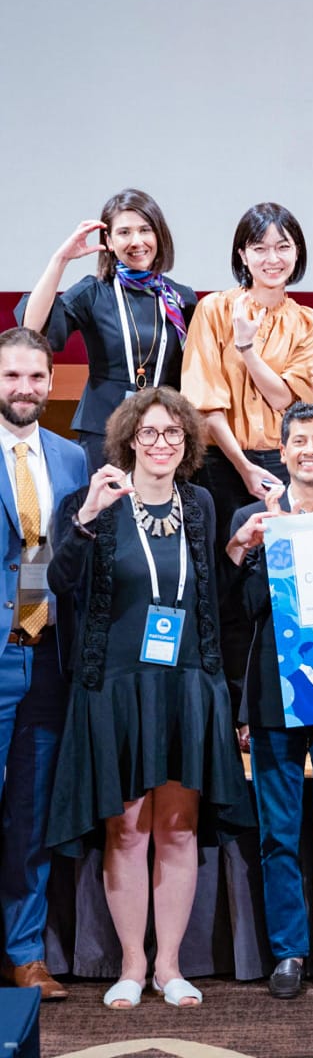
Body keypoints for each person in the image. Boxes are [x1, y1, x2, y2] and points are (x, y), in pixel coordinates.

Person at [45, 387, 253, 1010]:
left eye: (173, 433)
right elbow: (61, 581)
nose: (161, 443)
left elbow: (209, 596)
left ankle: (169, 966)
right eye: (149, 433)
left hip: (188, 683)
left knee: (179, 830)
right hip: (116, 686)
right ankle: (132, 965)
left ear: (187, 443)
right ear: (129, 440)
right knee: (128, 830)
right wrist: (86, 519)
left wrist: (238, 552)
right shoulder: (96, 501)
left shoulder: (201, 504)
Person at [224, 401, 313, 1001]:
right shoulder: (253, 518)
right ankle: (287, 951)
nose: (309, 450)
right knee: (278, 834)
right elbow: (241, 612)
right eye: (299, 441)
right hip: (270, 696)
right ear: (281, 452)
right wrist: (260, 544)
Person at [0, 329, 88, 1000]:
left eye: (35, 377)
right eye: (11, 376)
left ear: (52, 382)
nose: (24, 388)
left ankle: (24, 953)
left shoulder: (72, 457)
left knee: (30, 818)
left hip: (49, 662)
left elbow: (74, 557)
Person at [181, 202, 313, 551]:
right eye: (259, 248)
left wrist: (246, 348)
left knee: (283, 561)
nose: (272, 259)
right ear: (243, 256)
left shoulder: (310, 323)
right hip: (219, 459)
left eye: (282, 247)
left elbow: (283, 398)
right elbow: (205, 403)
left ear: (297, 253)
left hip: (281, 460)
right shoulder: (214, 309)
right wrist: (243, 466)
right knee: (225, 557)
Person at [17, 189, 196, 472]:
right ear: (109, 242)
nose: (136, 241)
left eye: (145, 230)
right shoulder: (93, 292)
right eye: (124, 232)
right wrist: (60, 260)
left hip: (164, 435)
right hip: (104, 434)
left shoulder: (180, 299)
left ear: (158, 235)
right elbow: (32, 329)